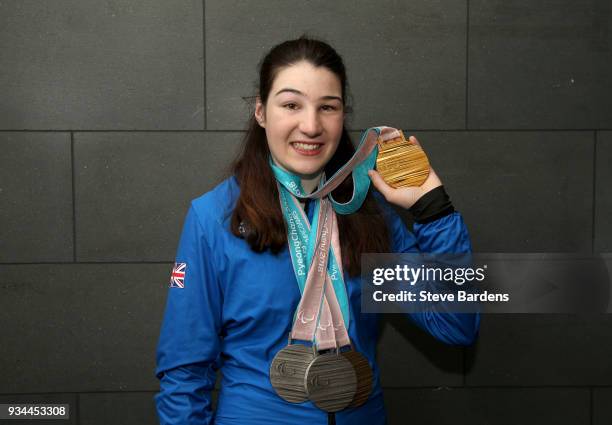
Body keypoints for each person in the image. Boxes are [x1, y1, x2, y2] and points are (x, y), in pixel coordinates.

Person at [154, 35, 480, 425]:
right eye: (291, 104)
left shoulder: (369, 214)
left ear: (343, 116)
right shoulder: (213, 218)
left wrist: (433, 210)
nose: (310, 126)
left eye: (328, 107)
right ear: (261, 112)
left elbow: (456, 325)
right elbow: (184, 371)